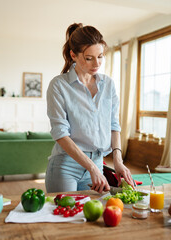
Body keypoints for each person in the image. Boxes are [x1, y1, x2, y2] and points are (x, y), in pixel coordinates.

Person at [45, 23, 134, 193]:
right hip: (66, 166)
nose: (96, 63)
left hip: (98, 162)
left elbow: (113, 126)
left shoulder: (108, 85)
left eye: (100, 56)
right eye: (89, 58)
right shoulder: (59, 85)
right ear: (73, 55)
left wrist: (118, 160)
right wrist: (91, 168)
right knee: (64, 217)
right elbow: (60, 134)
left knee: (92, 217)